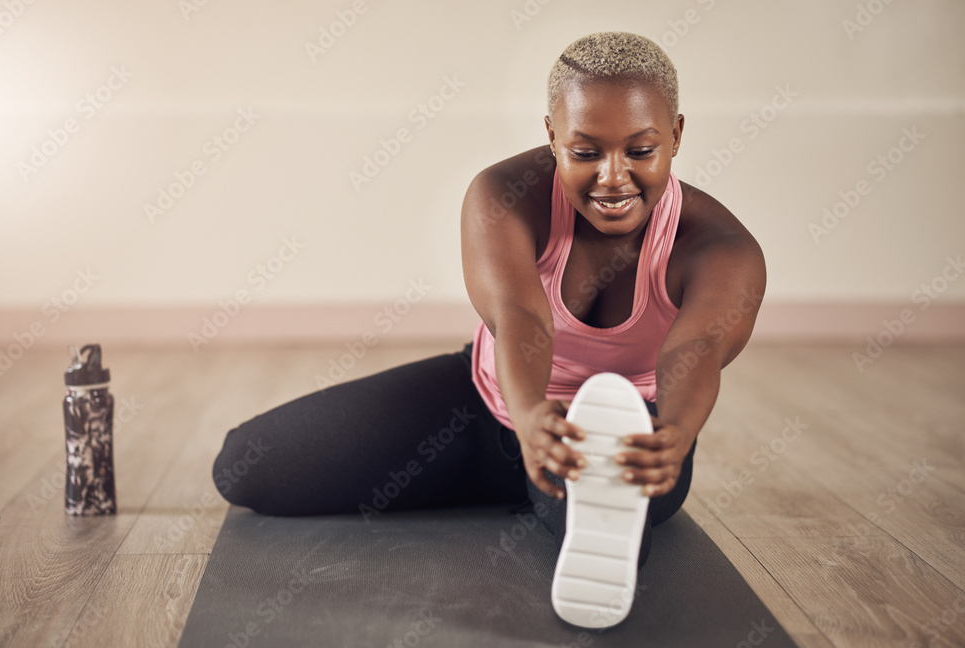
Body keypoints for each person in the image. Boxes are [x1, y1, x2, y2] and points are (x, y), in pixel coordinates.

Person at [212, 30, 764, 621]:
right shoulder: (503, 195)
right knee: (247, 467)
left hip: (615, 446)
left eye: (640, 150)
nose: (612, 177)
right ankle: (514, 488)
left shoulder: (721, 248)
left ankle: (579, 511)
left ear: (675, 136)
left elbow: (695, 350)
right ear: (551, 135)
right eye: (585, 152)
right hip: (486, 407)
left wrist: (675, 434)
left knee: (608, 534)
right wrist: (528, 417)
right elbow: (520, 316)